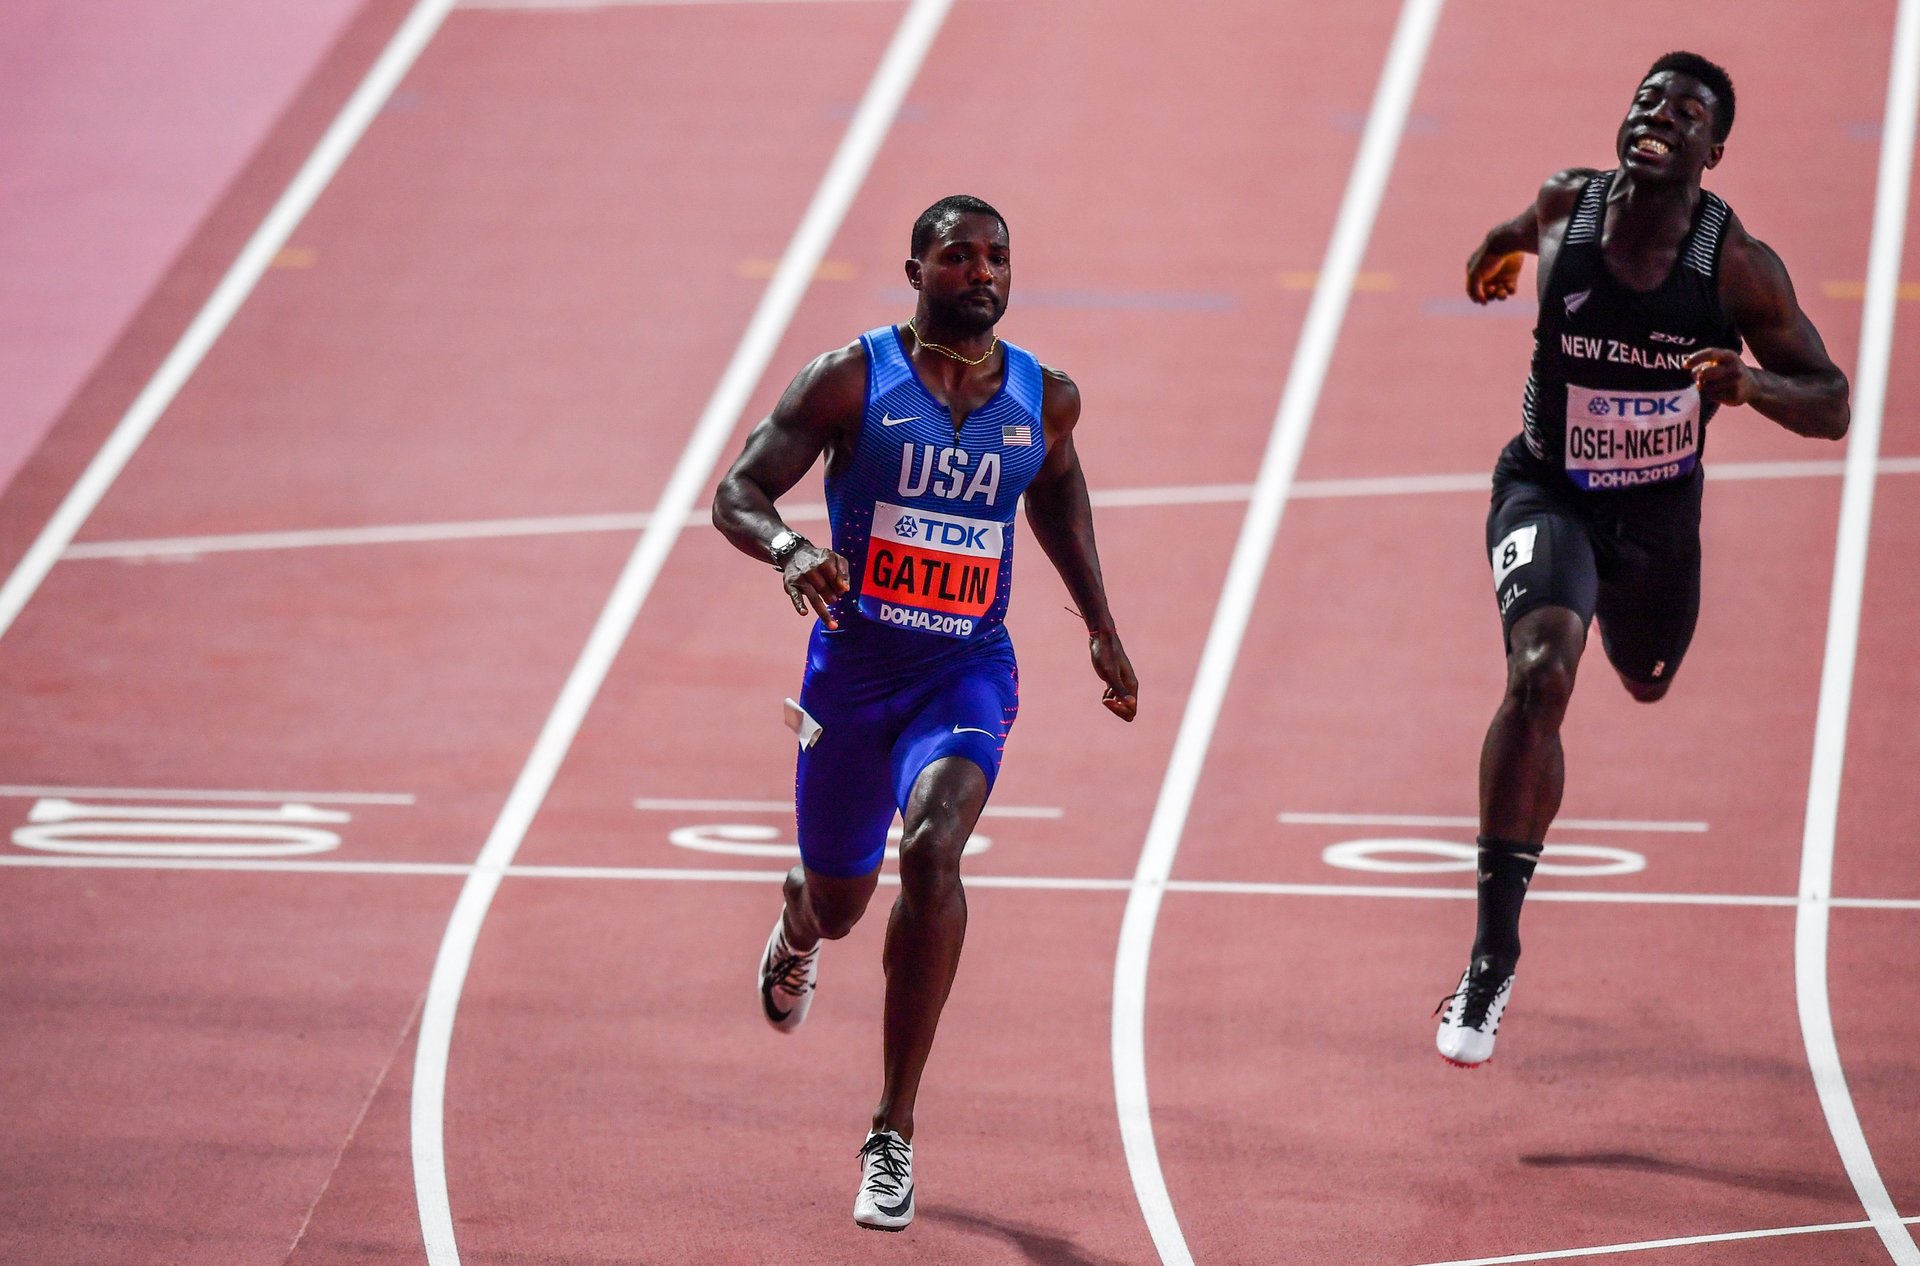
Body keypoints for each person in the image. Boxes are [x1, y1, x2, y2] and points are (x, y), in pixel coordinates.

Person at [712, 194, 1138, 1228]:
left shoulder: (1046, 397)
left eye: (997, 257)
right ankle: (799, 924)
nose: (981, 272)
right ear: (915, 272)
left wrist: (1099, 622)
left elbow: (1057, 492)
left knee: (935, 850)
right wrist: (791, 549)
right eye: (958, 256)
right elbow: (738, 491)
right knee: (843, 902)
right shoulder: (851, 378)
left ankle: (891, 1131)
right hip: (853, 680)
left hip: (967, 671)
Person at [1435, 52, 1849, 1067]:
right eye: (1648, 98)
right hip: (1547, 491)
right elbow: (1514, 234)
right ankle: (1491, 957)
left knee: (1646, 676)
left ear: (1715, 150)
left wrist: (1749, 388)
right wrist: (1494, 251)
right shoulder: (1567, 207)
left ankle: (1636, 647)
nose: (1658, 114)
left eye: (1687, 110)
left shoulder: (1735, 265)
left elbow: (1832, 400)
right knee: (1540, 675)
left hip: (1658, 525)